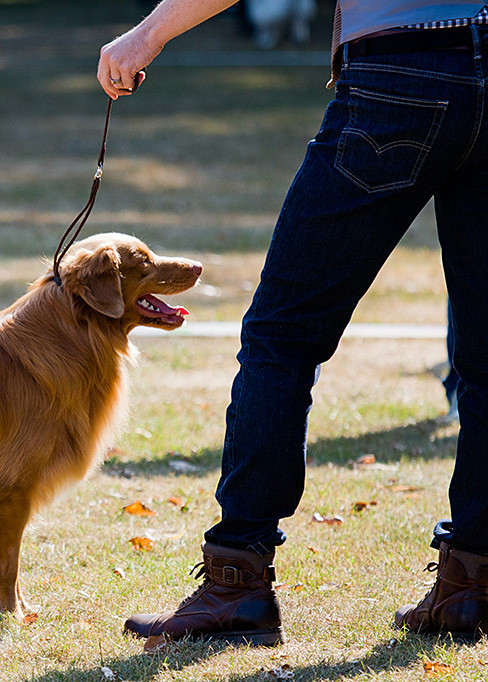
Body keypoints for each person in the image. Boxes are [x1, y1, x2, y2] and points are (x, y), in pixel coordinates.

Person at [98, 0, 488, 644]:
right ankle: (471, 583)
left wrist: (145, 35)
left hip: (401, 70)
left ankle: (237, 580)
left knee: (281, 338)